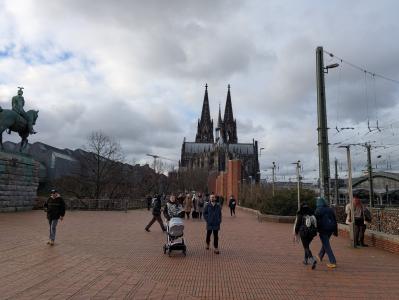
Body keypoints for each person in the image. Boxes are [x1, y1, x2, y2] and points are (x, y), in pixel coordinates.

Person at [315, 197, 338, 269]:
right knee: (325, 243)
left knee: (326, 245)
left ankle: (333, 261)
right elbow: (334, 220)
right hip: (331, 229)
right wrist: (335, 231)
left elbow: (315, 221)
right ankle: (320, 255)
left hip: (323, 229)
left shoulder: (318, 210)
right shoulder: (330, 209)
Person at [293, 202, 317, 269]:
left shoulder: (300, 214)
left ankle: (312, 259)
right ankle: (305, 260)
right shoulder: (312, 213)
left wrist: (295, 232)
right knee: (306, 246)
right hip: (312, 233)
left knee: (306, 247)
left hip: (304, 233)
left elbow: (297, 225)